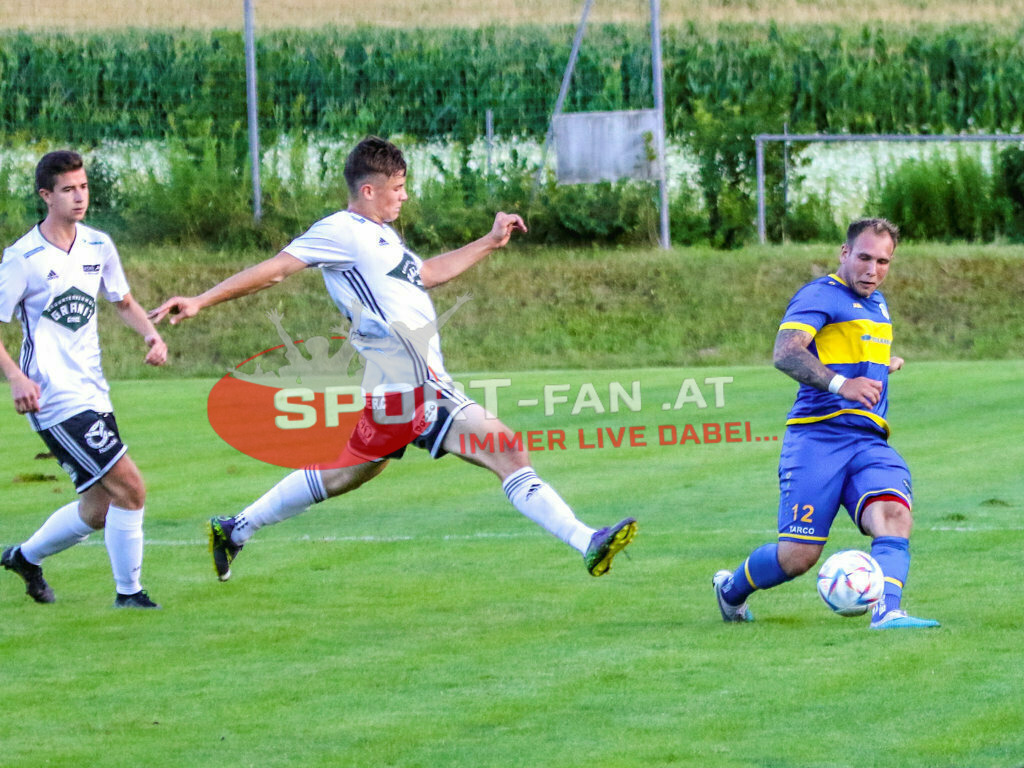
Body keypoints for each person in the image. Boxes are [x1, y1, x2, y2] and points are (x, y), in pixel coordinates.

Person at [148, 136, 636, 584]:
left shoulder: (380, 236)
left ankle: (235, 529)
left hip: (395, 387)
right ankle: (586, 540)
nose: (403, 196)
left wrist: (488, 242)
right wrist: (200, 300)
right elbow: (275, 270)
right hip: (412, 383)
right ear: (367, 189)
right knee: (506, 449)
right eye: (397, 188)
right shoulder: (341, 231)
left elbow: (425, 273)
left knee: (347, 472)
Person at [712, 217, 938, 630]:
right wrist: (842, 383)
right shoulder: (819, 295)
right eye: (865, 257)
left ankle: (887, 610)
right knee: (797, 556)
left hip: (867, 440)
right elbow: (786, 353)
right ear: (845, 253)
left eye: (884, 261)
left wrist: (882, 365)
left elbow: (846, 348)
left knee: (892, 513)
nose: (873, 269)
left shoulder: (877, 303)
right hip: (817, 438)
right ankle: (730, 590)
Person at [0, 150, 166, 609]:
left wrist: (151, 336)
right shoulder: (23, 258)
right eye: (68, 189)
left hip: (94, 391)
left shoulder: (98, 244)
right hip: (52, 397)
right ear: (46, 196)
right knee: (131, 487)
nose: (79, 197)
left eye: (84, 187)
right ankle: (129, 595)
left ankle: (24, 558)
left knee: (99, 509)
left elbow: (123, 301)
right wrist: (15, 377)